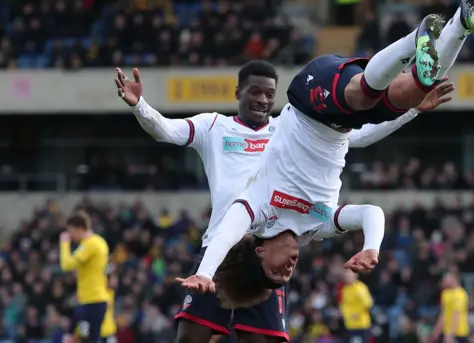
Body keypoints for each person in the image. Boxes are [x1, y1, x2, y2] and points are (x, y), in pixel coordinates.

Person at [175, 0, 474, 303]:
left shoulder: (259, 213)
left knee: (361, 95)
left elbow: (227, 231)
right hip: (342, 122)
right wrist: (372, 246)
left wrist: (206, 272)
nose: (288, 270)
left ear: (260, 252)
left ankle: (414, 37)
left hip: (309, 97)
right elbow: (369, 212)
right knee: (417, 88)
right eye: (286, 277)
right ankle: (464, 18)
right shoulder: (318, 228)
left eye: (276, 272)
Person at [115, 60, 433, 343]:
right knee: (191, 336)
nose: (263, 99)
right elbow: (165, 131)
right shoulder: (213, 125)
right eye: (255, 91)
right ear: (238, 91)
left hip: (269, 249)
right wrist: (139, 104)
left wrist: (411, 111)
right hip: (222, 249)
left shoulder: (287, 126)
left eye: (270, 94)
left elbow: (357, 137)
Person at [59, 212, 110, 343]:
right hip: (89, 299)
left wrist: (64, 243)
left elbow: (66, 264)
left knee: (83, 338)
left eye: (71, 231)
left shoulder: (91, 244)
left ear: (80, 229)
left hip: (93, 300)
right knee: (78, 337)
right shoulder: (95, 242)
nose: (70, 235)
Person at [431, 271, 470, 343]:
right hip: (445, 331)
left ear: (453, 279)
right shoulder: (445, 293)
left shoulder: (460, 294)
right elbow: (443, 313)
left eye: (446, 279)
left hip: (459, 332)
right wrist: (437, 330)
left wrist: (450, 335)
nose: (444, 281)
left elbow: (456, 315)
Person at [339, 269, 373, 343]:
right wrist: (344, 313)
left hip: (361, 324)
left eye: (349, 276)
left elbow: (368, 304)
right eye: (346, 276)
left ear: (355, 276)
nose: (347, 278)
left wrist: (357, 313)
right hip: (349, 324)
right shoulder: (345, 289)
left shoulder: (360, 288)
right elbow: (343, 304)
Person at [100, 270, 118, 343]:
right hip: (100, 332)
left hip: (110, 331)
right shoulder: (100, 293)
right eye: (114, 279)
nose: (116, 281)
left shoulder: (111, 293)